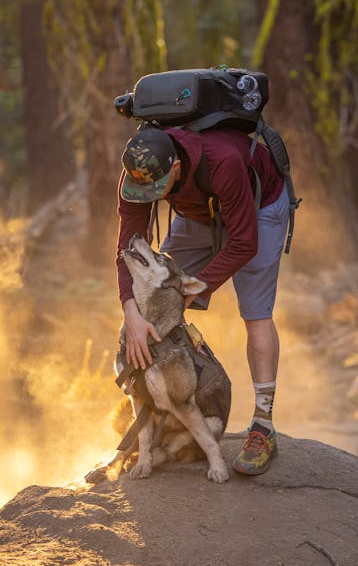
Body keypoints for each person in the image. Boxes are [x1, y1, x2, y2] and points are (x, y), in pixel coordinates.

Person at [115, 124, 288, 475]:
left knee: (256, 312)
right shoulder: (137, 172)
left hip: (258, 207)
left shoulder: (223, 161)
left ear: (176, 167)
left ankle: (263, 425)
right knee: (151, 301)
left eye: (153, 189)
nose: (146, 196)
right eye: (140, 189)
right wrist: (131, 313)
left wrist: (194, 287)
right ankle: (153, 409)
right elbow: (128, 251)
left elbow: (244, 242)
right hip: (198, 211)